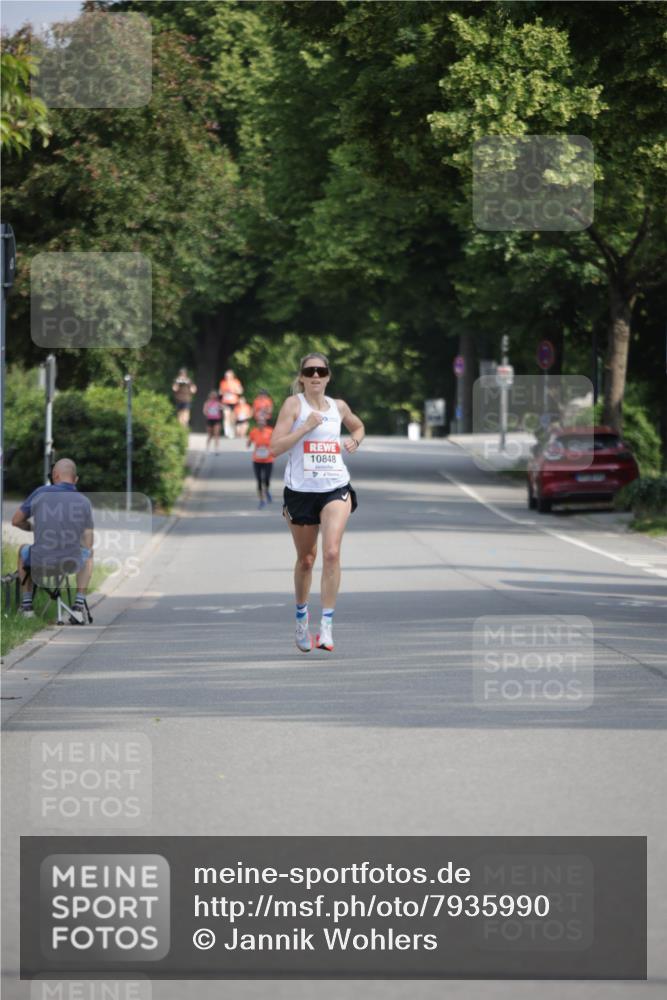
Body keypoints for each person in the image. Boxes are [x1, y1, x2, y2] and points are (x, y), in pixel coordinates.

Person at [270, 352, 364, 653]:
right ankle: (301, 618)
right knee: (307, 560)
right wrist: (305, 427)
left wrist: (355, 440)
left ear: (328, 376)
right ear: (301, 377)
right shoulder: (293, 406)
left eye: (320, 371)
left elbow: (358, 426)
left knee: (332, 552)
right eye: (309, 371)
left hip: (335, 487)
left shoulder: (339, 406)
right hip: (300, 491)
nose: (315, 376)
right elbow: (274, 448)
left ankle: (326, 627)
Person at [11, 458, 94, 624]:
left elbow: (16, 520)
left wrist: (33, 528)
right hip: (70, 563)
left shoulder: (40, 493)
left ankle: (27, 607)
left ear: (54, 476)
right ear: (75, 479)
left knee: (22, 549)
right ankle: (78, 607)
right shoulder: (84, 502)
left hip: (40, 562)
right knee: (89, 554)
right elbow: (88, 542)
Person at [247, 413, 275, 509]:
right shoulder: (253, 432)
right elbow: (249, 441)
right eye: (259, 422)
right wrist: (248, 444)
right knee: (259, 480)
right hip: (257, 460)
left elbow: (276, 441)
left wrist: (272, 449)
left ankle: (266, 490)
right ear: (257, 423)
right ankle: (262, 500)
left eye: (262, 422)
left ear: (265, 423)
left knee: (266, 479)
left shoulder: (270, 431)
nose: (261, 424)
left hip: (268, 460)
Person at [218, 369, 243, 439]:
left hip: (234, 402)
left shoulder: (236, 382)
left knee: (232, 418)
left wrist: (233, 391)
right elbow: (220, 392)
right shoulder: (223, 382)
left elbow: (240, 391)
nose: (227, 377)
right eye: (226, 375)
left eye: (228, 375)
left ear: (232, 376)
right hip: (225, 402)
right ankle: (227, 432)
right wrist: (224, 392)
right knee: (226, 416)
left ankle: (232, 431)